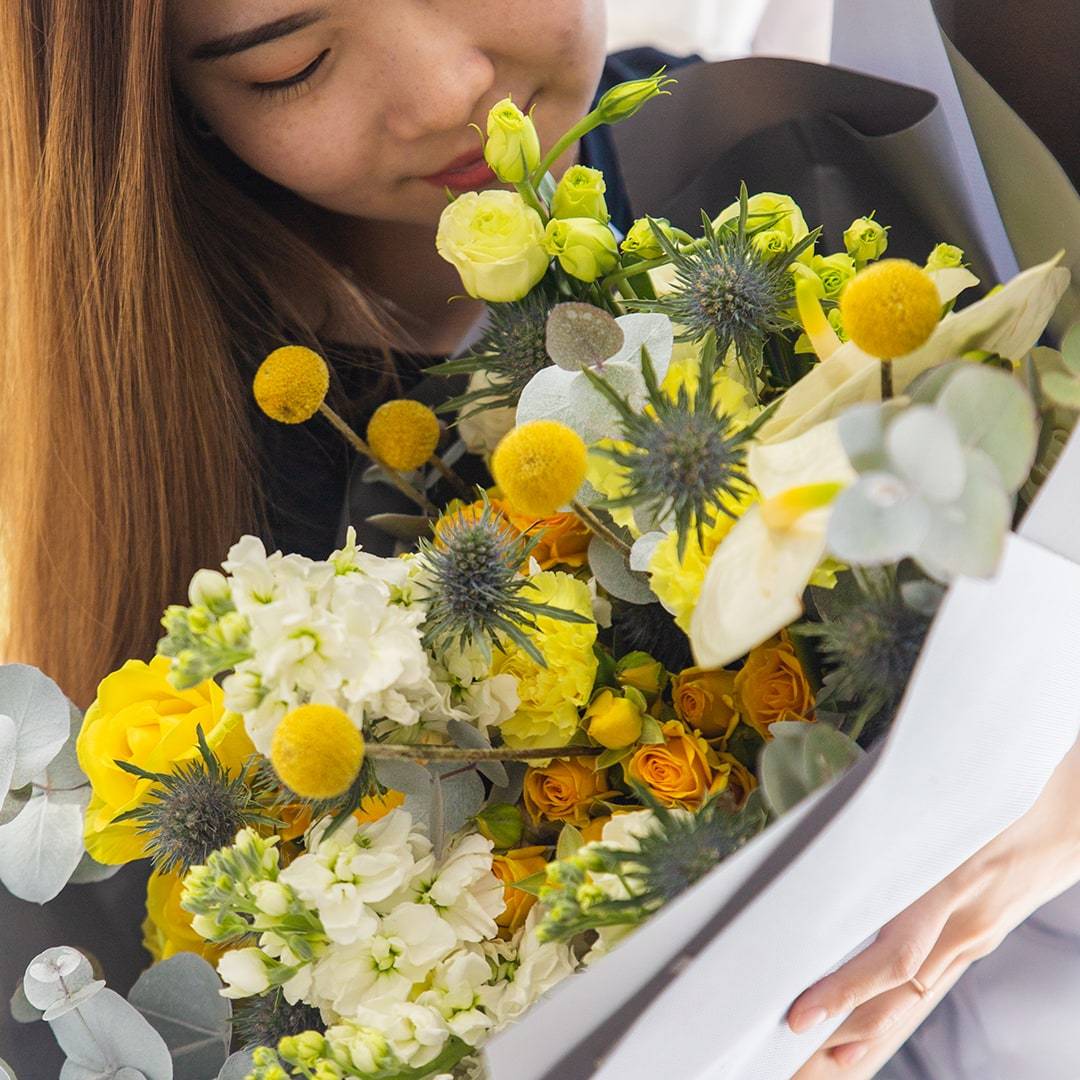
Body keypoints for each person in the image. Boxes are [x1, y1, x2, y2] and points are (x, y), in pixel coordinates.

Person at [0, 3, 1077, 1077]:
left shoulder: (777, 184)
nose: (448, 92)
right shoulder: (128, 468)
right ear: (169, 99)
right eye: (295, 63)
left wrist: (1051, 802)